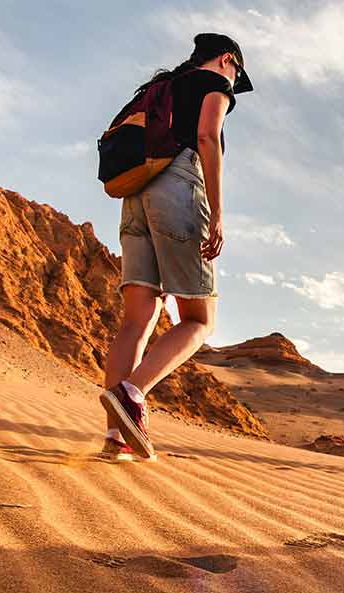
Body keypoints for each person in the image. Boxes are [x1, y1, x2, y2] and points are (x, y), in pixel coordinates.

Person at [99, 34, 254, 461]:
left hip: (136, 193)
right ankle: (133, 394)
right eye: (236, 72)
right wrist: (218, 212)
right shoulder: (215, 85)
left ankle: (116, 437)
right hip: (179, 189)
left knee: (138, 319)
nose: (234, 80)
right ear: (227, 60)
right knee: (200, 319)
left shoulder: (159, 89)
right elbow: (207, 138)